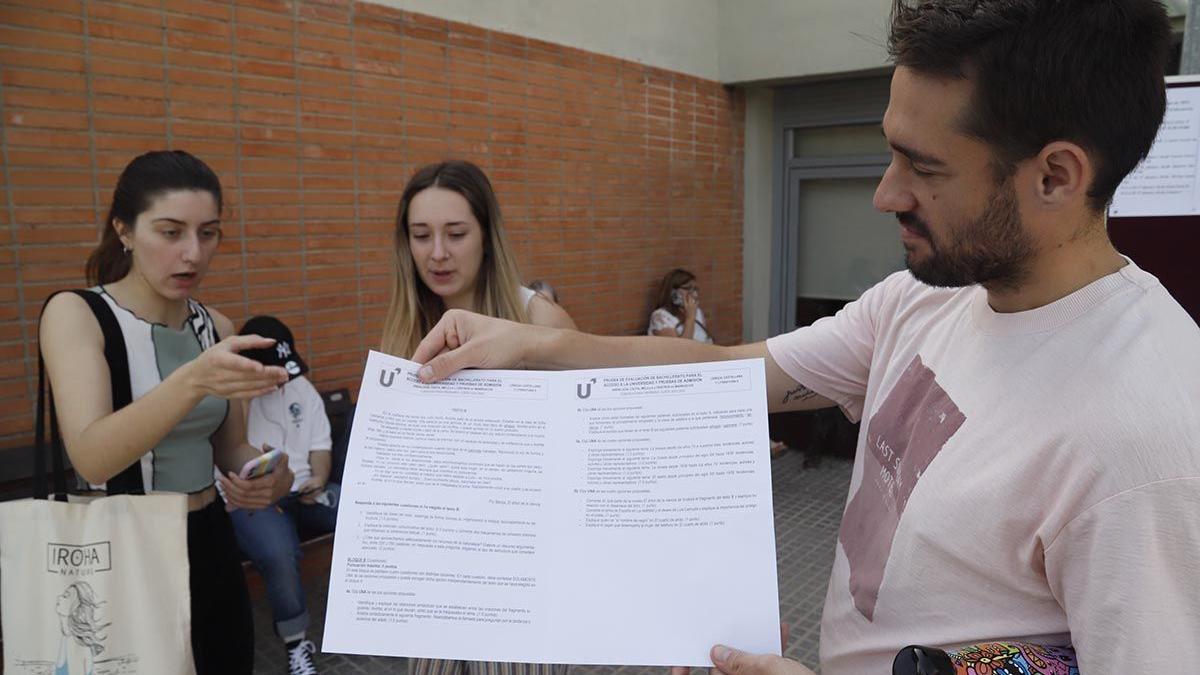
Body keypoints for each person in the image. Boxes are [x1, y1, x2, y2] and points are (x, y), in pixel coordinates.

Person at [407, 2, 1200, 673]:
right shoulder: (918, 305)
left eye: (922, 166)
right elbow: (722, 372)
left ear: (1056, 177)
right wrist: (534, 345)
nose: (885, 194)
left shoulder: (1147, 444)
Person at [38, 150, 294, 675]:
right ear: (124, 231)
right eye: (171, 232)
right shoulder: (78, 314)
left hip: (211, 538)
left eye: (209, 233)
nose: (192, 254)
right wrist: (194, 378)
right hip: (125, 546)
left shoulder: (215, 327)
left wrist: (269, 475)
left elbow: (229, 448)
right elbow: (92, 457)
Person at [381, 159, 575, 675]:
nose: (437, 253)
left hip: (520, 582)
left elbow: (582, 454)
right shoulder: (405, 328)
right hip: (434, 580)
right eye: (421, 235)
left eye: (456, 233)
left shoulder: (538, 319)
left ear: (488, 236)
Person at [230, 315, 338, 675]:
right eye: (272, 373)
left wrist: (318, 482)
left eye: (284, 372)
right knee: (279, 552)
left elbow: (320, 449)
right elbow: (230, 453)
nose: (281, 381)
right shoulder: (232, 399)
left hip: (304, 492)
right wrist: (243, 395)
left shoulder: (301, 390)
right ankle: (296, 645)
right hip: (253, 500)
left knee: (363, 515)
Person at [54, 581, 109, 675]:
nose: (59, 597)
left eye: (66, 596)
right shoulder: (67, 637)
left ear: (75, 608)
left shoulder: (75, 643)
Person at [648, 268, 714, 344]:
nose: (694, 294)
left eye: (695, 289)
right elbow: (682, 350)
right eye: (688, 289)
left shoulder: (697, 311)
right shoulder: (660, 317)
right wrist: (690, 318)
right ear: (672, 292)